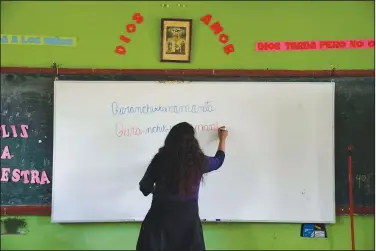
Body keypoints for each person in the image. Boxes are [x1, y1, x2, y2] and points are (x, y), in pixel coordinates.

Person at [136, 122, 228, 251]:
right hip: (188, 224)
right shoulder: (198, 161)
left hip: (159, 221)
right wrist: (222, 139)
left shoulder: (160, 159)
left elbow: (144, 187)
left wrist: (157, 192)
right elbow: (219, 160)